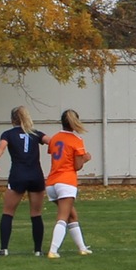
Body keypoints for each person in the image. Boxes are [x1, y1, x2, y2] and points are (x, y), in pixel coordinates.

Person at [0, 107, 48, 257]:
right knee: (36, 213)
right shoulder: (36, 134)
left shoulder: (8, 134)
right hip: (36, 175)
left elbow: (1, 148)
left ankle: (4, 249)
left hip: (18, 175)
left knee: (8, 212)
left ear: (12, 119)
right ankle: (38, 250)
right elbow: (53, 142)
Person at [44, 109, 95, 256]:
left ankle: (82, 248)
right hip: (66, 182)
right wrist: (85, 158)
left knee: (72, 215)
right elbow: (77, 165)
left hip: (52, 182)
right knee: (63, 216)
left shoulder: (54, 138)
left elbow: (56, 156)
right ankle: (53, 251)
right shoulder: (76, 140)